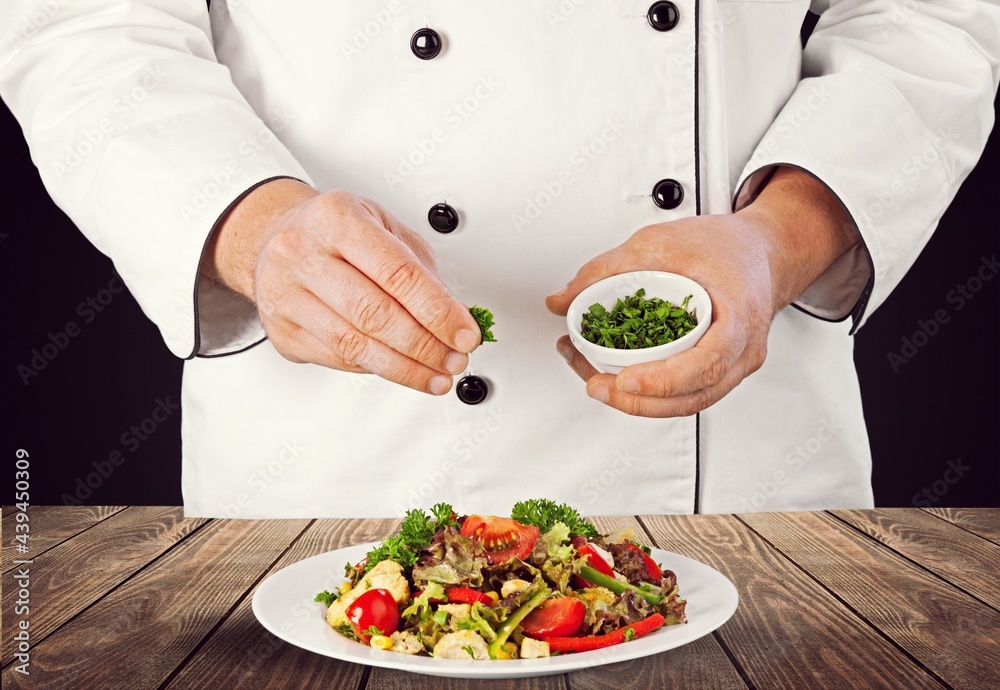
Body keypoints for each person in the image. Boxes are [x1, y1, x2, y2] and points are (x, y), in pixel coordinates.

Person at [2, 0, 997, 518]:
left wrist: (779, 240)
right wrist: (251, 227)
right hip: (346, 464)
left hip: (739, 464)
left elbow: (930, 16)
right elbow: (87, 26)